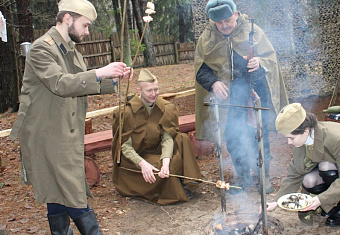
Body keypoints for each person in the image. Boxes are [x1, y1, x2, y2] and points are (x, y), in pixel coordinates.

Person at [8, 0, 133, 234]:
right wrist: (99, 72)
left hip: (64, 131)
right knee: (74, 193)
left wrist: (113, 79)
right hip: (48, 135)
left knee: (57, 193)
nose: (87, 32)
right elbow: (60, 83)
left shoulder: (68, 48)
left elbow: (79, 83)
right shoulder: (41, 48)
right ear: (68, 19)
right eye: (85, 25)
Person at [194, 0, 288, 193]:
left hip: (255, 95)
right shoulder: (208, 38)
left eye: (227, 20)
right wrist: (214, 82)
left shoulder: (253, 31)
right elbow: (200, 69)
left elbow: (271, 60)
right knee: (233, 137)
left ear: (236, 14)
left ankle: (264, 177)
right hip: (229, 99)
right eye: (219, 23)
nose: (224, 26)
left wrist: (259, 63)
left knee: (259, 137)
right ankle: (244, 177)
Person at [266, 103, 340, 227]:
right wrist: (277, 201)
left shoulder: (337, 138)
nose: (289, 142)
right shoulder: (301, 141)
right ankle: (331, 205)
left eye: (291, 138)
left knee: (326, 167)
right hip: (335, 168)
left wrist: (321, 199)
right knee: (309, 180)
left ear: (306, 131)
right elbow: (295, 173)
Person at [111, 69, 202, 205]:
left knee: (181, 138)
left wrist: (166, 161)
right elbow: (124, 146)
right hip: (138, 156)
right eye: (149, 90)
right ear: (139, 91)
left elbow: (167, 137)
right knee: (157, 168)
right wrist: (142, 164)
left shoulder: (165, 108)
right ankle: (172, 189)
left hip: (157, 149)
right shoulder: (127, 113)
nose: (154, 94)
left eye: (156, 89)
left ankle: (189, 180)